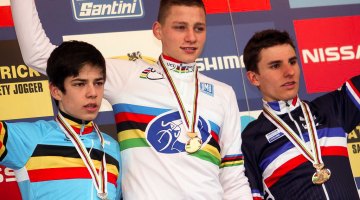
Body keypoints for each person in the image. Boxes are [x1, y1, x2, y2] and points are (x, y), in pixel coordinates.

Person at [10, 0, 252, 199]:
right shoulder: (128, 76)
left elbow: (232, 176)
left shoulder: (223, 93)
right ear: (158, 30)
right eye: (180, 27)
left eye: (199, 28)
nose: (191, 37)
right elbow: (38, 54)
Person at [241, 29, 360, 199]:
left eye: (292, 61)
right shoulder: (250, 140)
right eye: (275, 66)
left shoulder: (332, 108)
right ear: (254, 78)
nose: (289, 72)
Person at [0, 41, 121, 200]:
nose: (93, 93)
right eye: (80, 84)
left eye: (98, 83)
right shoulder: (32, 138)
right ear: (56, 91)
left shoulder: (113, 148)